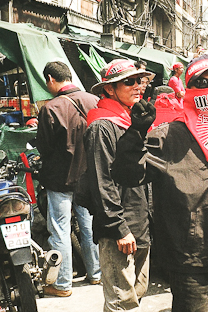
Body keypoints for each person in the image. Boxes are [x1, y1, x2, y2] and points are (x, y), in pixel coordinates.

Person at [110, 55, 208, 312]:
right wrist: (135, 134)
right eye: (201, 83)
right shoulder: (168, 136)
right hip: (188, 262)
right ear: (189, 88)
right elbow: (127, 175)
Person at [82, 59, 154, 311]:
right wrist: (118, 228)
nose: (138, 86)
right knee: (122, 302)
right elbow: (102, 181)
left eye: (141, 81)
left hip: (141, 222)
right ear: (110, 89)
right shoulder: (101, 125)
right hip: (120, 227)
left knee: (137, 292)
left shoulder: (131, 120)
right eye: (130, 81)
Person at [36, 61, 101, 297]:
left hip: (60, 179)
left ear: (51, 80)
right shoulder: (93, 101)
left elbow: (44, 147)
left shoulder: (50, 108)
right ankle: (96, 274)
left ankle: (63, 284)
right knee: (89, 226)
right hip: (90, 177)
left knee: (60, 230)